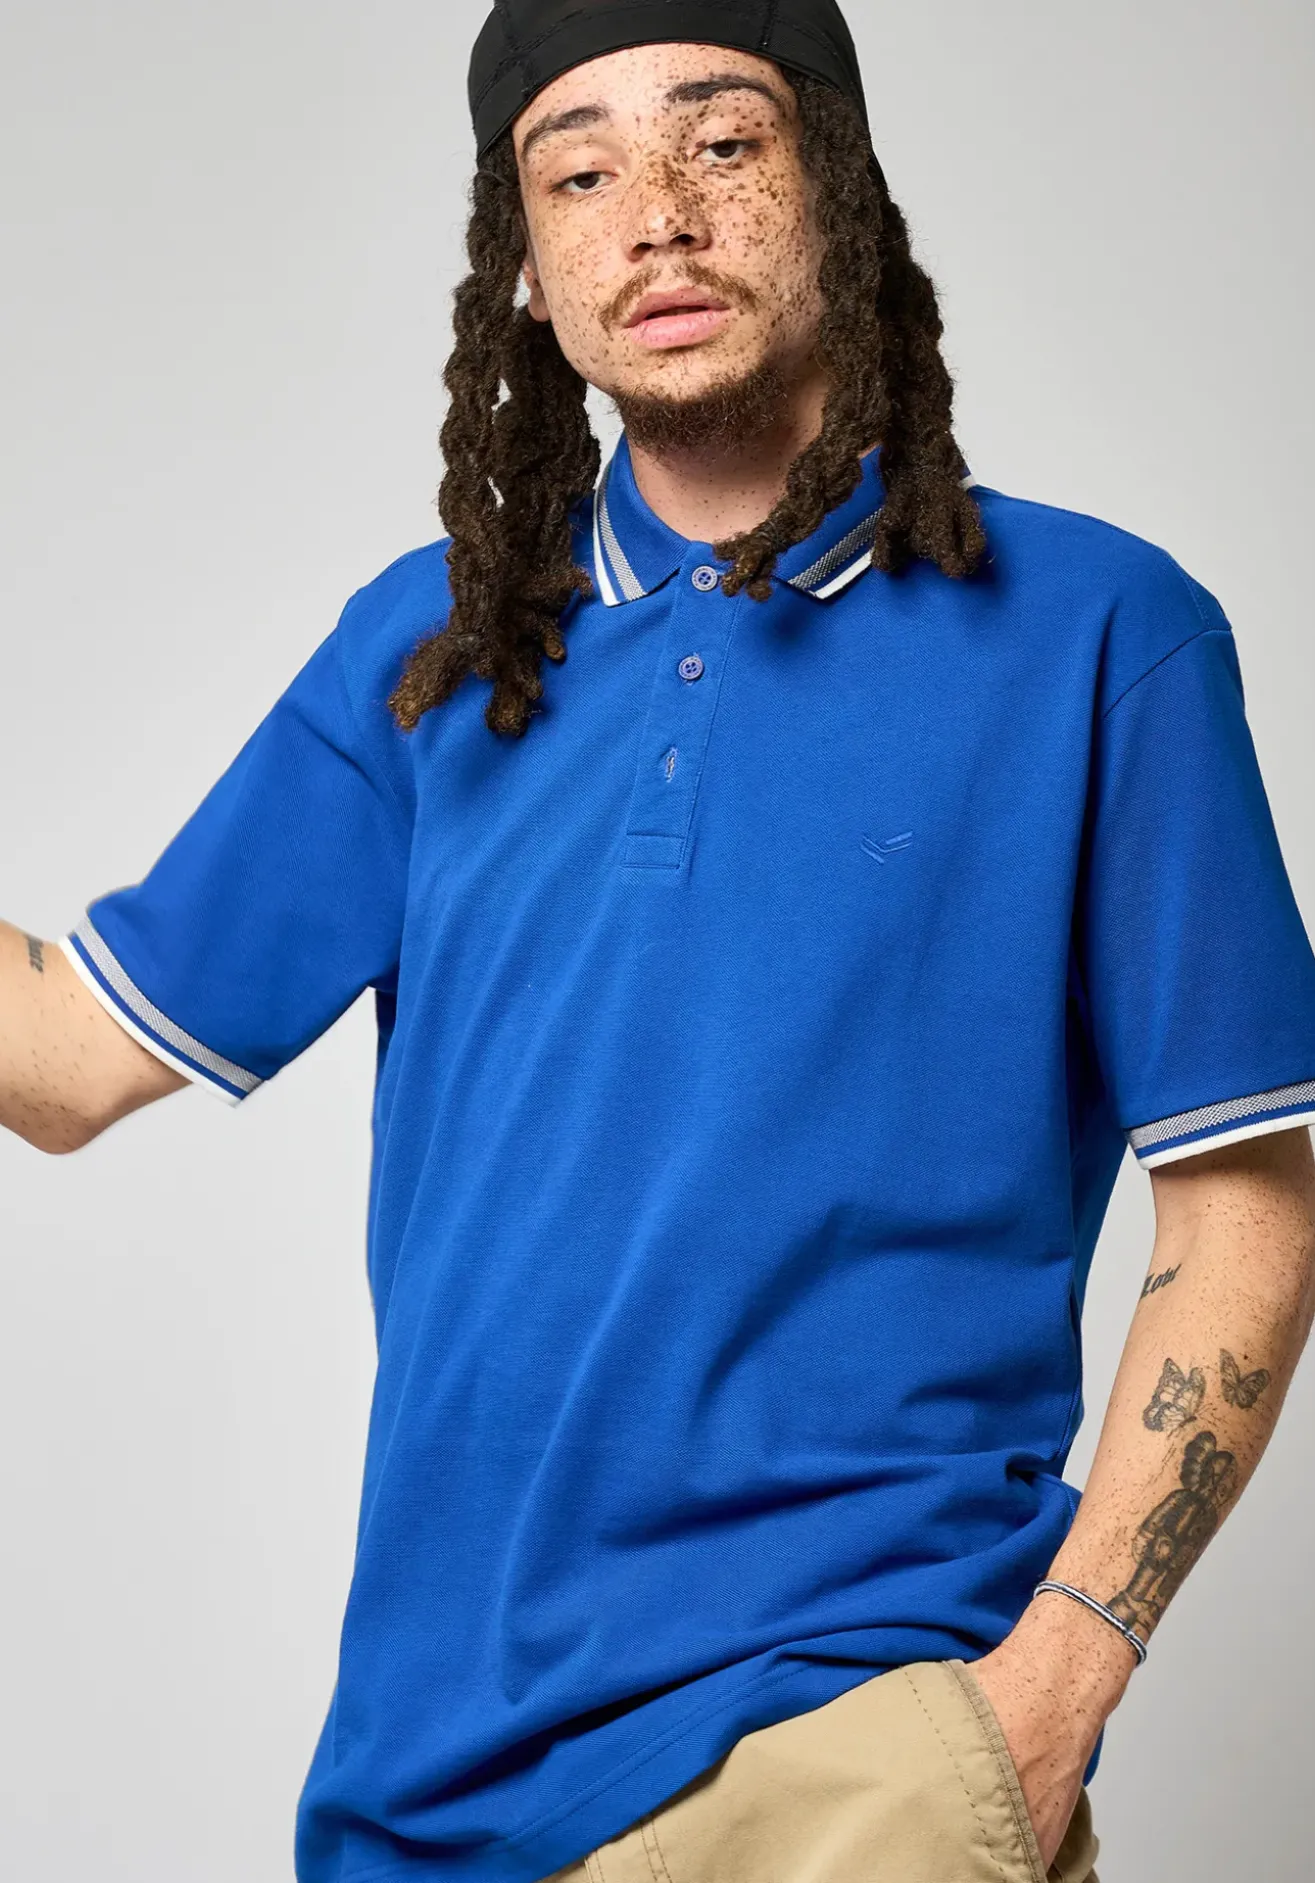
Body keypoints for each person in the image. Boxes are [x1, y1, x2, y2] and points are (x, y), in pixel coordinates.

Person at [5, 2, 1315, 1879]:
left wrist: (1048, 1690)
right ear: (525, 263)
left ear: (836, 187)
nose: (656, 217)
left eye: (722, 141)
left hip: (854, 1749)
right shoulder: (432, 655)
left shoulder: (1100, 632)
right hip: (422, 1790)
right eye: (580, 173)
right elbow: (63, 1056)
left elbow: (1243, 1206)